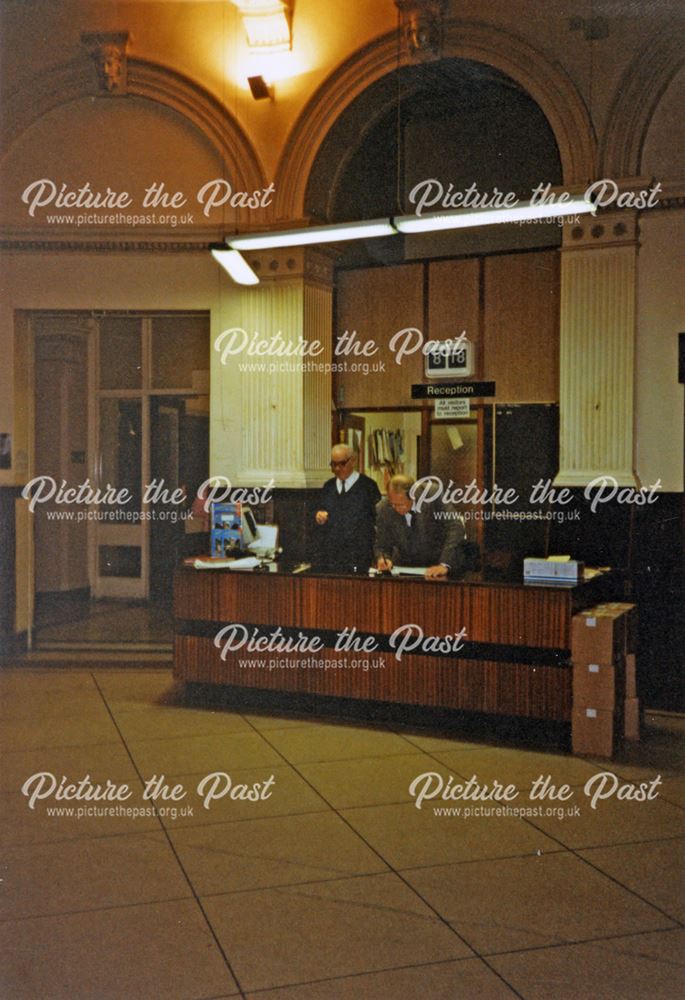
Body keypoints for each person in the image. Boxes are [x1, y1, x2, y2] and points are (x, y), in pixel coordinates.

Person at [375, 473, 467, 578]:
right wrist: (383, 559)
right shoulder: (383, 508)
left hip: (438, 563)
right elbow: (381, 542)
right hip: (404, 569)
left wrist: (444, 564)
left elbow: (455, 527)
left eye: (401, 504)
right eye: (393, 504)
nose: (396, 508)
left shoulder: (432, 494)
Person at [314, 444, 381, 572]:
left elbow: (377, 521)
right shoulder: (328, 487)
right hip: (332, 557)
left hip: (359, 556)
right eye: (333, 464)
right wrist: (319, 516)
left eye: (342, 464)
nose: (337, 468)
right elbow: (319, 511)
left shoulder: (368, 486)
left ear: (353, 461)